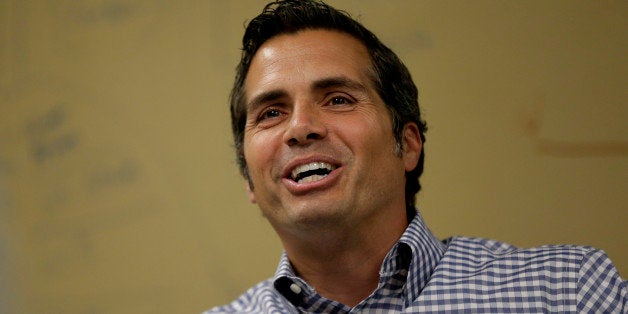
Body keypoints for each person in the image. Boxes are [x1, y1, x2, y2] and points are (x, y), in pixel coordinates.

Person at [205, 0, 627, 313]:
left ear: (406, 144)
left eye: (337, 99)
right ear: (249, 180)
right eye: (272, 112)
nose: (300, 128)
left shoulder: (567, 291)